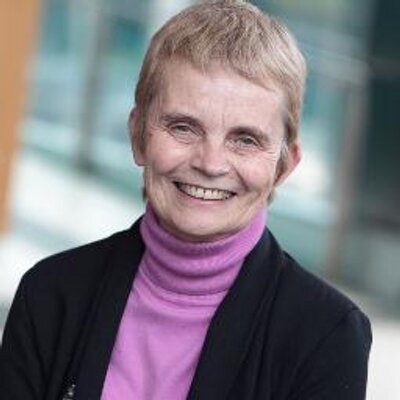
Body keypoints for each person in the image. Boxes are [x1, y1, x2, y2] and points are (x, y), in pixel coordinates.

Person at [0, 1, 372, 399]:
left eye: (245, 140)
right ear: (138, 135)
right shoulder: (51, 294)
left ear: (284, 165)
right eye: (183, 127)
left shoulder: (326, 335)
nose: (210, 164)